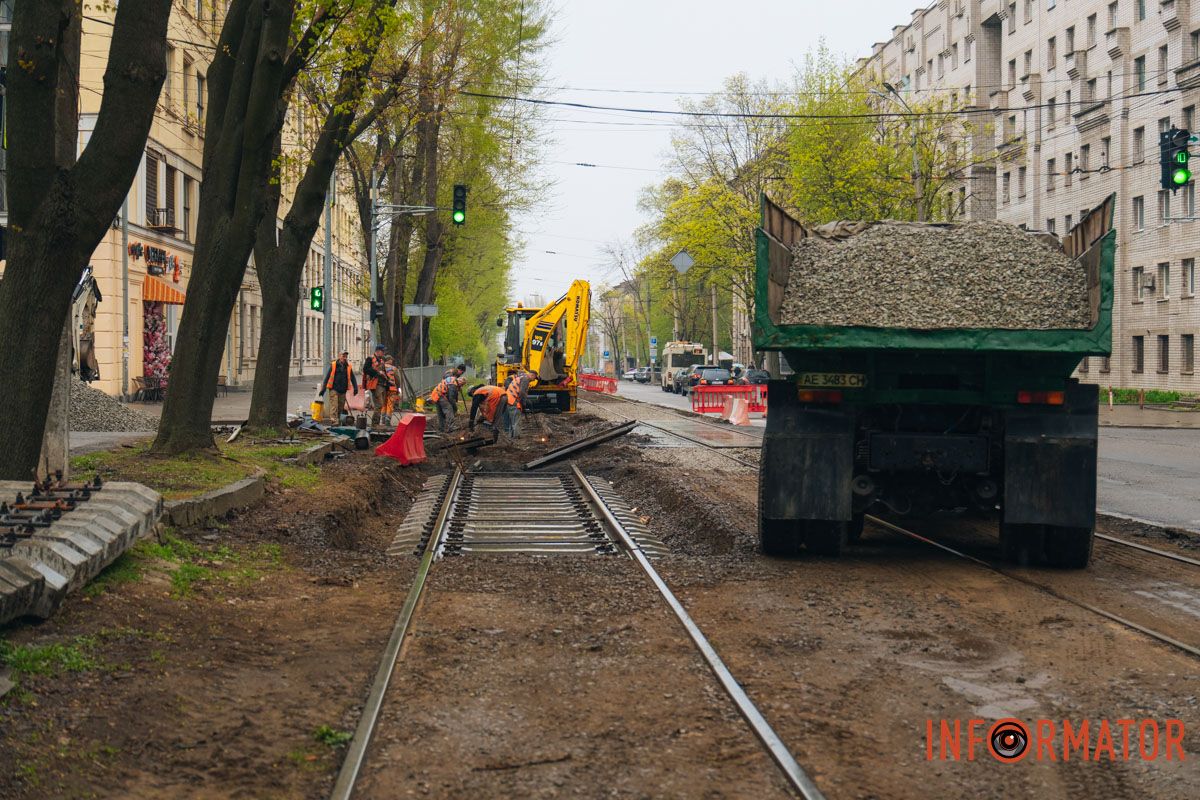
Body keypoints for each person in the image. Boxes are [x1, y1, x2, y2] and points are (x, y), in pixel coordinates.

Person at [320, 351, 357, 423]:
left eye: (346, 356)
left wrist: (355, 388)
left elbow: (353, 377)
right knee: (334, 406)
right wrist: (323, 388)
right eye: (343, 356)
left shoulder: (348, 366)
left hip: (343, 390)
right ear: (339, 356)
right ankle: (333, 420)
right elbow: (327, 377)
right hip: (334, 389)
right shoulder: (334, 365)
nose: (345, 358)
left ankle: (338, 420)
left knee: (340, 407)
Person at [430, 365, 467, 432]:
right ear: (460, 382)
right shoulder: (453, 383)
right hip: (440, 395)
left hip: (436, 394)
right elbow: (451, 397)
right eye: (462, 385)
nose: (461, 386)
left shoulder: (452, 379)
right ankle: (451, 427)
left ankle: (442, 429)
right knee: (449, 409)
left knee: (440, 413)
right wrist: (455, 408)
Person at [362, 345, 389, 426]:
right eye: (383, 351)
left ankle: (376, 423)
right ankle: (375, 423)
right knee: (379, 404)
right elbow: (365, 369)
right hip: (375, 385)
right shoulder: (370, 359)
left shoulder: (381, 360)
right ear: (378, 351)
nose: (384, 353)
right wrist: (377, 372)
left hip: (382, 385)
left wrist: (388, 383)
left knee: (381, 404)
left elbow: (384, 372)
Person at [502, 370, 532, 438]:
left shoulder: (516, 379)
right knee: (516, 420)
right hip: (513, 401)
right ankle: (516, 436)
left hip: (508, 400)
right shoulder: (524, 379)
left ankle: (511, 436)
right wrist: (523, 402)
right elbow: (521, 392)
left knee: (511, 420)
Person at [382, 355, 401, 423]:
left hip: (383, 389)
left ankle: (383, 420)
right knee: (390, 404)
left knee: (383, 404)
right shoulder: (393, 368)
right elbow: (397, 379)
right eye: (391, 360)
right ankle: (387, 421)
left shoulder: (381, 367)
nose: (392, 361)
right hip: (392, 389)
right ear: (389, 360)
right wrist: (398, 388)